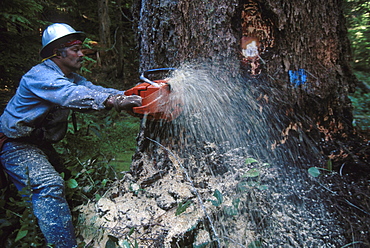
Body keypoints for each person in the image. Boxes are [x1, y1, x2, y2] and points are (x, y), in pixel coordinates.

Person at [0, 23, 142, 247]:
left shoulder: (71, 78)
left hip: (38, 144)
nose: (81, 54)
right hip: (16, 145)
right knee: (48, 185)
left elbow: (95, 90)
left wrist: (134, 95)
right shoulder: (39, 76)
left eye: (81, 48)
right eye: (75, 49)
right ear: (57, 52)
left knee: (68, 190)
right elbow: (71, 95)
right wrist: (114, 101)